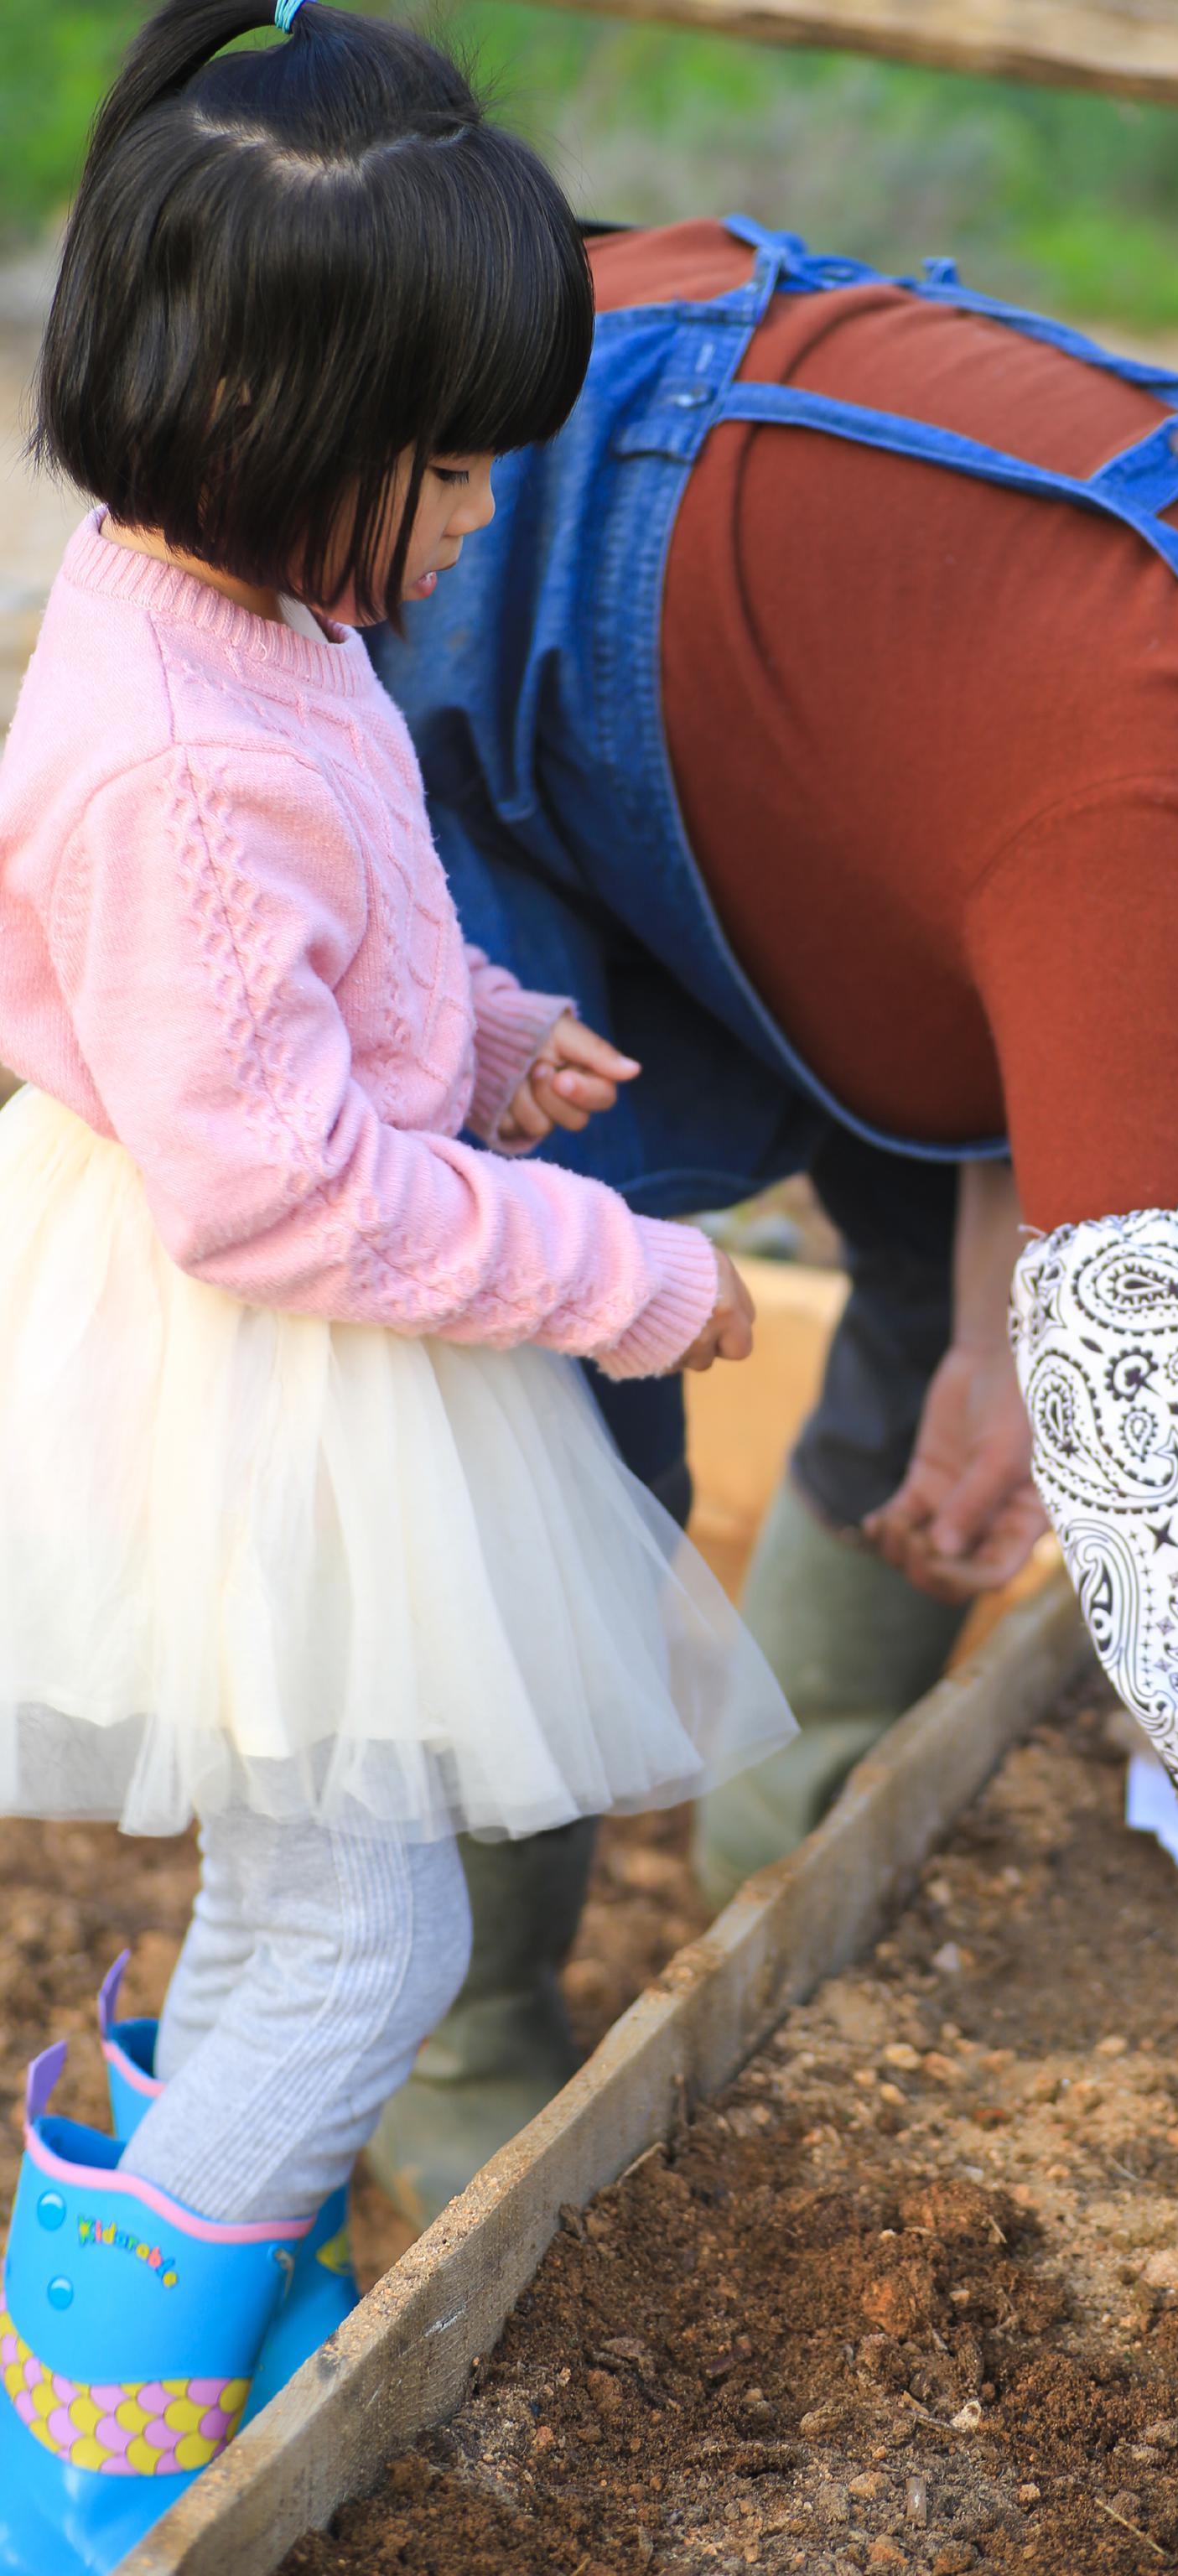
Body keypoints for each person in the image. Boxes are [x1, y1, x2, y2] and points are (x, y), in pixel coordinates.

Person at [367, 218, 1178, 2263]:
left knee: (963, 1320)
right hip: (513, 560)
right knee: (529, 1376)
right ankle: (461, 2065)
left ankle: (785, 1864)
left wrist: (1002, 1315)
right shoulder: (1169, 810)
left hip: (794, 611)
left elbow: (1007, 851)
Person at [0, 20, 794, 2572]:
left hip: (274, 1344)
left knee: (302, 1897)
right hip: (247, 1359)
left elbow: (308, 973)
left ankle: (150, 2372)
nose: (477, 516)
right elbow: (274, 1189)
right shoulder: (176, 744)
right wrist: (625, 1277)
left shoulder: (244, 609)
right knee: (374, 1939)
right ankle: (94, 2482)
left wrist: (477, 1033)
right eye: (444, 468)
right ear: (262, 415)